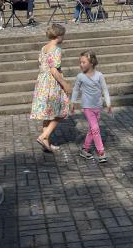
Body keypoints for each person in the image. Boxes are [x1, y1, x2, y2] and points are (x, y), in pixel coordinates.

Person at [30, 23, 72, 153]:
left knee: (48, 113)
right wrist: (65, 84)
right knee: (61, 111)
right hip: (52, 82)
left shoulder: (44, 48)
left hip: (42, 82)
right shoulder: (56, 49)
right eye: (63, 35)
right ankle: (44, 136)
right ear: (59, 36)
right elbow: (54, 70)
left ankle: (46, 142)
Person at [70, 50, 112, 163]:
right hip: (87, 107)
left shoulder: (99, 76)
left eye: (84, 62)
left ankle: (85, 149)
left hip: (98, 106)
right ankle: (101, 152)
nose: (81, 64)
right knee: (95, 129)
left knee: (92, 130)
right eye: (80, 62)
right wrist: (72, 103)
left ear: (91, 63)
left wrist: (108, 103)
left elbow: (105, 89)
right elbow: (75, 90)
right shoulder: (80, 77)